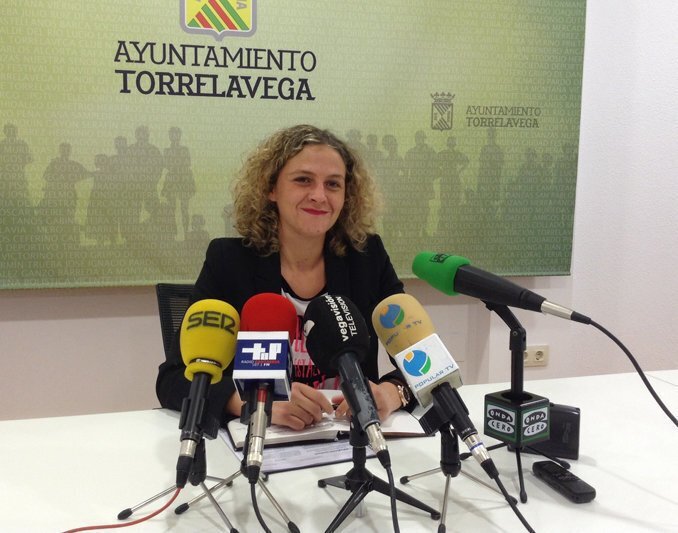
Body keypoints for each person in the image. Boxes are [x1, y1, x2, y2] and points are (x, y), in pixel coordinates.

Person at [156, 124, 414, 431]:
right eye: (303, 180)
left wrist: (391, 393)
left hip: (352, 441)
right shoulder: (229, 261)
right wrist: (254, 404)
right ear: (271, 188)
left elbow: (423, 361)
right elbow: (173, 379)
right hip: (263, 442)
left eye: (333, 184)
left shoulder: (367, 259)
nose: (319, 196)